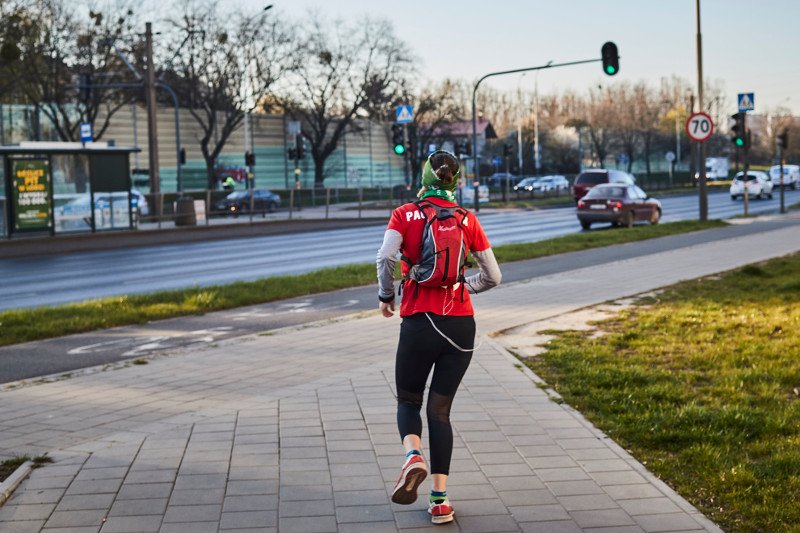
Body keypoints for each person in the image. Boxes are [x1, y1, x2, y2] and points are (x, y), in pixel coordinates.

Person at [376, 149, 502, 524]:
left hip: (419, 322)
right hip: (461, 327)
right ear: (455, 181)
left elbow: (384, 259)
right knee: (440, 412)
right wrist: (465, 286)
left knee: (408, 400)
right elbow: (494, 275)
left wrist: (387, 296)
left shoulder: (405, 214)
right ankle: (440, 501)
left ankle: (413, 457)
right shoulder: (467, 218)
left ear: (425, 176)